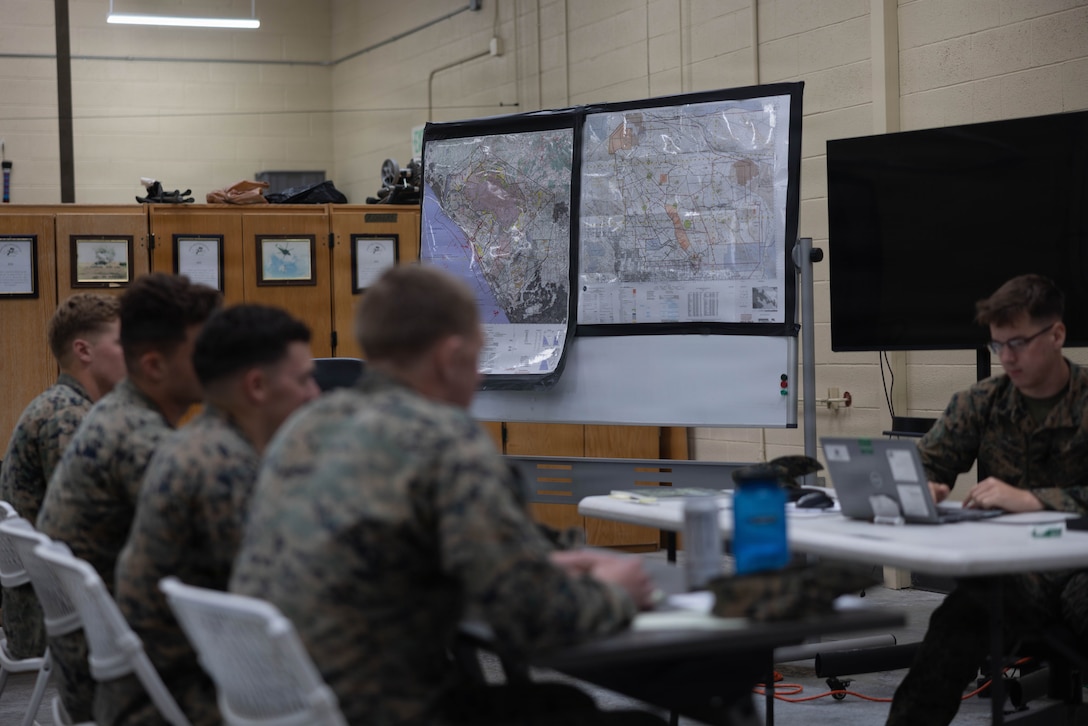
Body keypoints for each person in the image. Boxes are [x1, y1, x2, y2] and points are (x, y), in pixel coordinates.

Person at [230, 265, 664, 726]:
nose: (478, 379)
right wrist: (616, 593)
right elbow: (535, 618)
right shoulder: (444, 440)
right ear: (449, 357)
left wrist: (522, 562)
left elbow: (393, 549)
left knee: (559, 703)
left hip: (296, 703)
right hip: (384, 708)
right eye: (478, 357)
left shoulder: (305, 425)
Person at [100, 304, 319, 726]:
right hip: (188, 700)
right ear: (256, 386)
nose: (316, 395)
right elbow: (285, 606)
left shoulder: (202, 443)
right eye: (305, 379)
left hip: (164, 686)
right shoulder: (223, 468)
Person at [886, 273, 1088, 726]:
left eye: (1017, 343)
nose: (1007, 358)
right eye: (998, 346)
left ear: (1056, 334)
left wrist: (1034, 500)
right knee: (951, 630)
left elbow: (1030, 501)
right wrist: (928, 487)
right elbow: (926, 465)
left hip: (1082, 568)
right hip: (1017, 571)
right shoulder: (982, 402)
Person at [37, 273, 221, 723]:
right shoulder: (138, 438)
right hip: (133, 684)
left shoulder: (115, 416)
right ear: (156, 365)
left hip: (99, 661)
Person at [0, 293, 125, 660]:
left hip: (43, 610)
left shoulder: (61, 404)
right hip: (60, 621)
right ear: (84, 351)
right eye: (121, 343)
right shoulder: (69, 418)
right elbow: (87, 538)